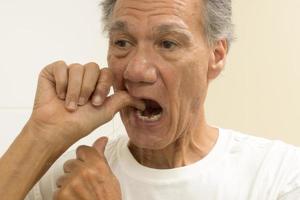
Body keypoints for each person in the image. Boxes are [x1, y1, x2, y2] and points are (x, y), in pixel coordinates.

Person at [0, 0, 300, 199]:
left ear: (216, 56)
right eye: (122, 42)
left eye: (167, 43)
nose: (135, 70)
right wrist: (40, 135)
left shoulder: (278, 176)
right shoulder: (68, 177)